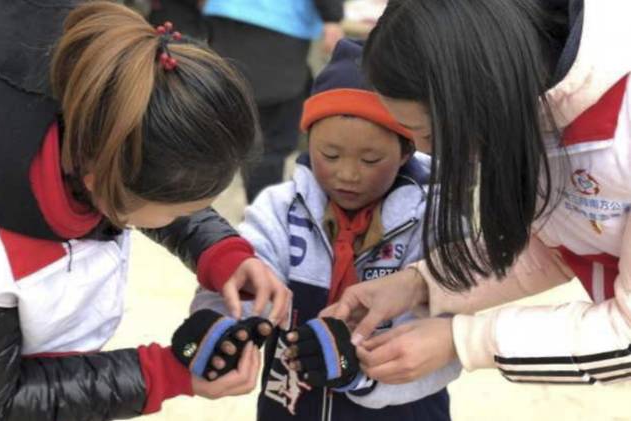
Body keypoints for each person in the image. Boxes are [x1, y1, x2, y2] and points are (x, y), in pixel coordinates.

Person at [0, 1, 291, 420]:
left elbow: (149, 180)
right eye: (180, 208)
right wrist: (165, 374)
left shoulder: (111, 95)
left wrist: (221, 251)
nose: (188, 215)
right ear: (101, 183)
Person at [321, 0, 631, 389]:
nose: (424, 151)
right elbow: (566, 238)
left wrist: (461, 340)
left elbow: (626, 336)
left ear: (483, 91)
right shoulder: (540, 91)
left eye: (432, 135)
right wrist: (421, 283)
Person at [188, 39, 461, 421]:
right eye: (329, 155)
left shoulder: (436, 220)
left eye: (371, 159)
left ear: (405, 151)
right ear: (307, 140)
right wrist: (220, 325)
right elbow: (245, 276)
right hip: (290, 406)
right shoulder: (280, 209)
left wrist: (357, 372)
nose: (348, 173)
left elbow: (445, 338)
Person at [201, 0, 346, 202]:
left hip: (226, 15)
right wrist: (332, 17)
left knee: (233, 119)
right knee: (270, 140)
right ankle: (265, 218)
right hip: (279, 24)